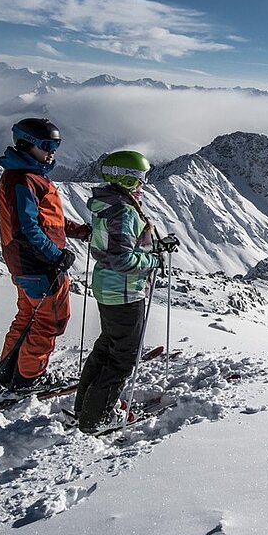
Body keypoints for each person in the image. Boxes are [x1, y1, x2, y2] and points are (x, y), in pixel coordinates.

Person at [75, 149, 179, 433]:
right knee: (123, 356)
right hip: (124, 292)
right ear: (128, 178)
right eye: (140, 177)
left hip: (109, 288)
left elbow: (121, 246)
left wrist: (156, 246)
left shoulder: (110, 204)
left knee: (107, 347)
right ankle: (97, 417)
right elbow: (122, 258)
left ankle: (85, 407)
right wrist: (153, 260)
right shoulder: (122, 210)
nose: (144, 183)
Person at [0, 117, 91, 393]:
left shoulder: (27, 176)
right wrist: (55, 255)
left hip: (27, 263)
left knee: (28, 317)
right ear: (26, 144)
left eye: (56, 145)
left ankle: (9, 376)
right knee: (50, 320)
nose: (53, 151)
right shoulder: (24, 179)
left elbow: (48, 221)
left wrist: (79, 231)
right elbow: (27, 227)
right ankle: (27, 379)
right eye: (47, 145)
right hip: (38, 264)